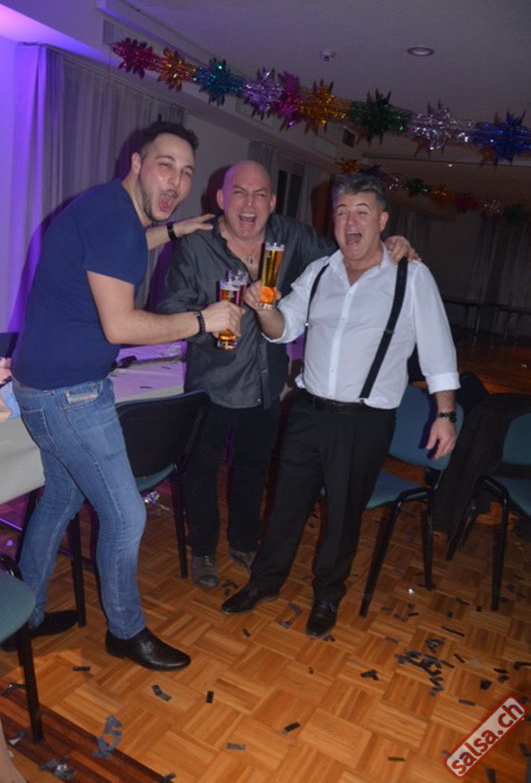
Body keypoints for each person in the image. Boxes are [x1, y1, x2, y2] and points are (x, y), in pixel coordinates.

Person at [6, 122, 242, 671]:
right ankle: (126, 630)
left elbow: (126, 246)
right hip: (69, 395)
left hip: (42, 385)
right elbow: (121, 326)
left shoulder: (108, 210)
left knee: (60, 500)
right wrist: (203, 320)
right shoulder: (114, 219)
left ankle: (25, 616)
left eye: (186, 172)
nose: (176, 181)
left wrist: (176, 230)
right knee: (126, 516)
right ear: (136, 164)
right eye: (165, 165)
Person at [157, 160, 415, 589]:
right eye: (239, 193)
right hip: (211, 385)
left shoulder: (292, 237)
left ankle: (244, 542)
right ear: (221, 198)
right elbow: (168, 309)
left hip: (266, 384)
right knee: (200, 473)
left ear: (272, 202)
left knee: (253, 471)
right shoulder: (195, 247)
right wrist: (206, 321)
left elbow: (349, 250)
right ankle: (202, 548)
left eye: (260, 194)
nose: (249, 204)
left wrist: (391, 244)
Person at [221, 173, 459, 638]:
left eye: (362, 212)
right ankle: (265, 580)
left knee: (344, 514)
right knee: (285, 504)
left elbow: (438, 351)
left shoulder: (411, 277)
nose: (351, 222)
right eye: (342, 212)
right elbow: (283, 328)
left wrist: (445, 414)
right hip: (308, 411)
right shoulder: (320, 272)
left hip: (363, 421)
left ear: (383, 221)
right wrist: (262, 307)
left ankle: (328, 594)